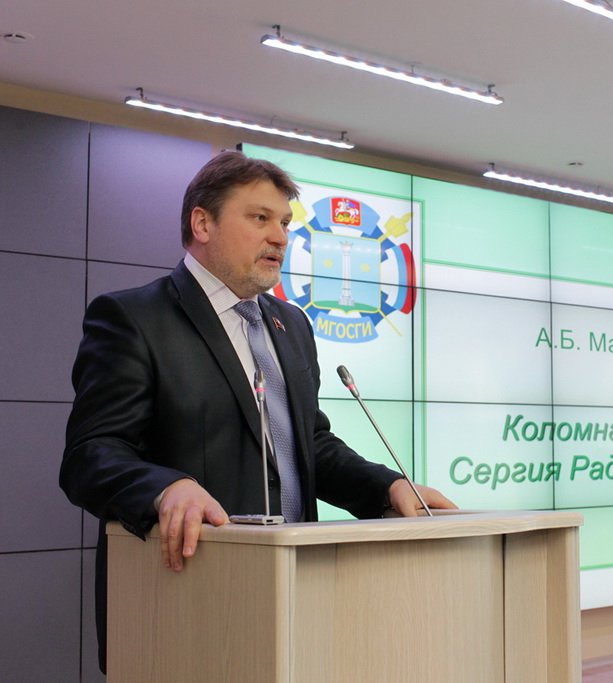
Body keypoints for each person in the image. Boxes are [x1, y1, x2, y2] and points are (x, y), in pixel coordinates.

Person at [60, 150, 455, 671]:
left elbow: (309, 445)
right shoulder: (134, 318)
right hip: (183, 602)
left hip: (296, 595)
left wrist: (387, 488)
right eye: (260, 218)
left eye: (285, 222)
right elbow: (91, 455)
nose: (280, 237)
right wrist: (166, 488)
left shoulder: (291, 326)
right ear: (202, 223)